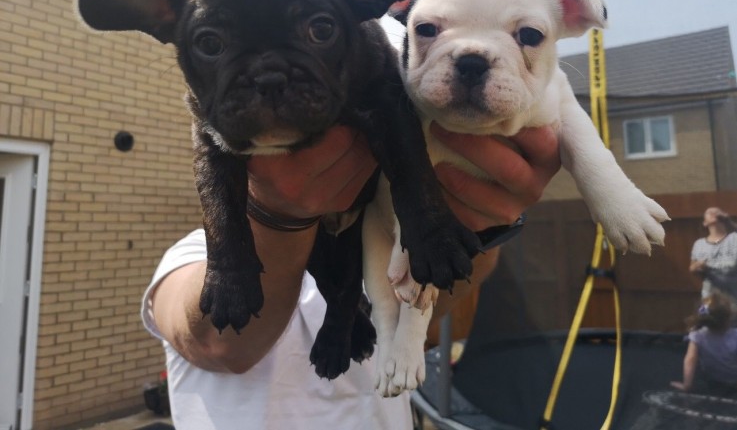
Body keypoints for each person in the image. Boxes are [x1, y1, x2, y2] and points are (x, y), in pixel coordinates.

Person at [141, 124, 561, 430]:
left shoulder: (370, 243)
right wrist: (277, 214)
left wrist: (474, 226)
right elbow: (216, 342)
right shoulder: (192, 254)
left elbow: (443, 294)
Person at [670, 291, 737, 396]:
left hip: (713, 381)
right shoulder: (735, 336)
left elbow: (690, 360)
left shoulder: (698, 336)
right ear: (728, 319)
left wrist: (687, 385)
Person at [690, 207, 737, 299]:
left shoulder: (734, 238)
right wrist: (697, 267)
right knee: (704, 313)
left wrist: (728, 220)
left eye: (717, 211)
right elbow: (692, 268)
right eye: (709, 212)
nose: (713, 212)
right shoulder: (699, 244)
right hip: (710, 297)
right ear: (705, 223)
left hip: (734, 296)